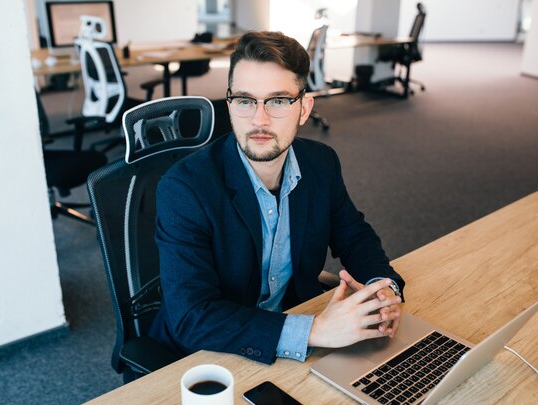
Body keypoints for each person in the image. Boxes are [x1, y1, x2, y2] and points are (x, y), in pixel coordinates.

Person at [149, 31, 404, 365]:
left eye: (279, 101)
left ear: (304, 108)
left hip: (289, 331)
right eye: (245, 100)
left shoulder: (321, 163)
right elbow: (193, 318)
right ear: (230, 106)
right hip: (206, 354)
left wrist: (382, 289)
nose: (259, 119)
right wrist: (314, 331)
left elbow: (354, 236)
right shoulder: (184, 189)